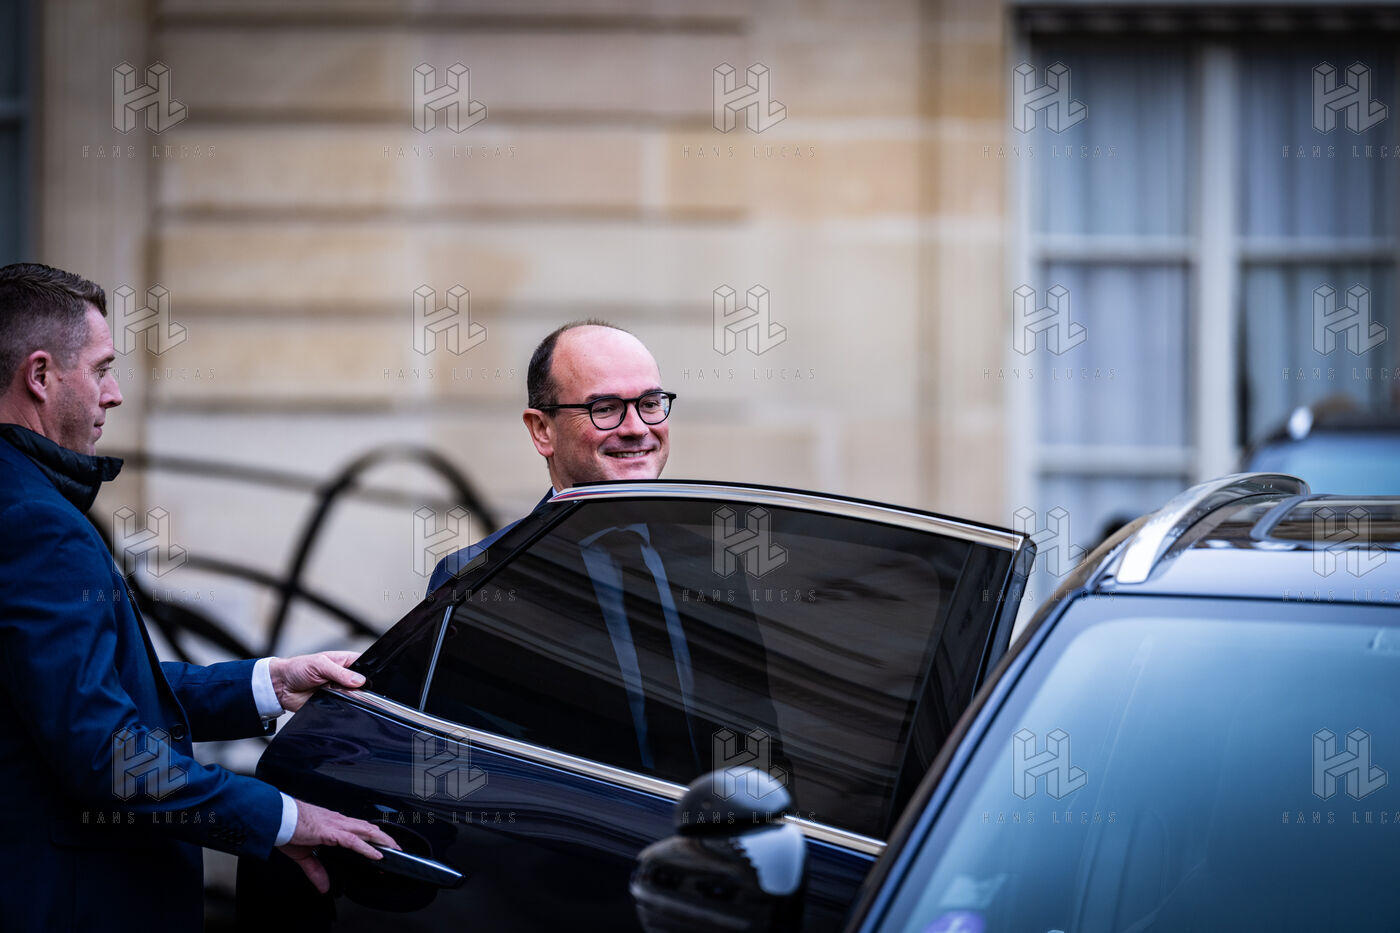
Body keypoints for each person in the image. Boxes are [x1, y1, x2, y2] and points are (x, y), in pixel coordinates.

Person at [0, 262, 397, 932]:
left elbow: (87, 691)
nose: (114, 394)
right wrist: (283, 818)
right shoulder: (37, 523)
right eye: (101, 369)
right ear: (40, 375)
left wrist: (270, 682)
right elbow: (106, 753)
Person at [426, 319, 672, 591]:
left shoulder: (704, 555)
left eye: (650, 404)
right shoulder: (479, 576)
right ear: (542, 430)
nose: (637, 428)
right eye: (604, 408)